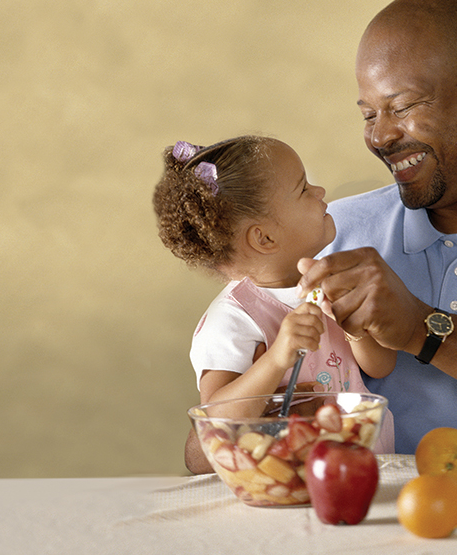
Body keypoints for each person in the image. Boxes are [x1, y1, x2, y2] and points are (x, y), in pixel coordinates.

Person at [181, 0, 457, 474]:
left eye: (405, 105)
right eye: (369, 114)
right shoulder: (328, 237)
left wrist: (422, 328)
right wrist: (279, 414)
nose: (380, 135)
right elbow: (201, 450)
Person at [153, 136, 397, 466]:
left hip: (360, 474)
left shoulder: (331, 279)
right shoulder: (233, 319)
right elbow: (213, 428)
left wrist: (354, 327)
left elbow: (381, 367)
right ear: (264, 238)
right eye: (303, 189)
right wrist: (277, 358)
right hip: (280, 486)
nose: (321, 192)